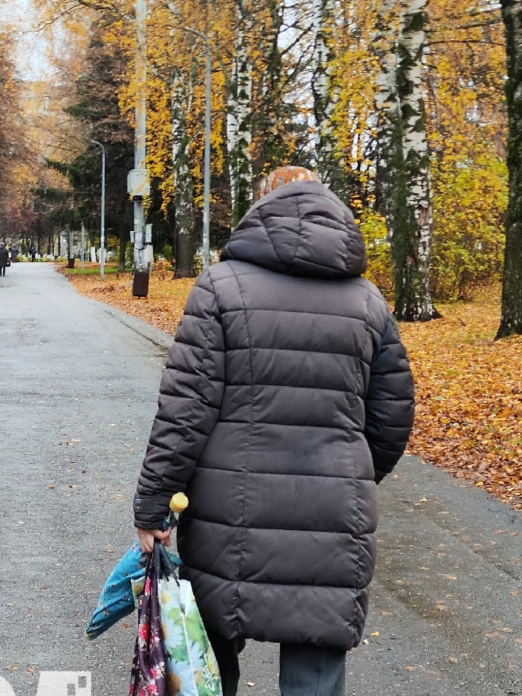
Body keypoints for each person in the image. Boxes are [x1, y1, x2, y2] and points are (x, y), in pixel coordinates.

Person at [132, 166, 415, 696]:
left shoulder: (221, 287)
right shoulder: (368, 301)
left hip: (225, 513)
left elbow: (185, 411)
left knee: (207, 664)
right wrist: (348, 476)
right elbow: (391, 417)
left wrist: (153, 504)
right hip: (333, 516)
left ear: (260, 208)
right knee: (315, 667)